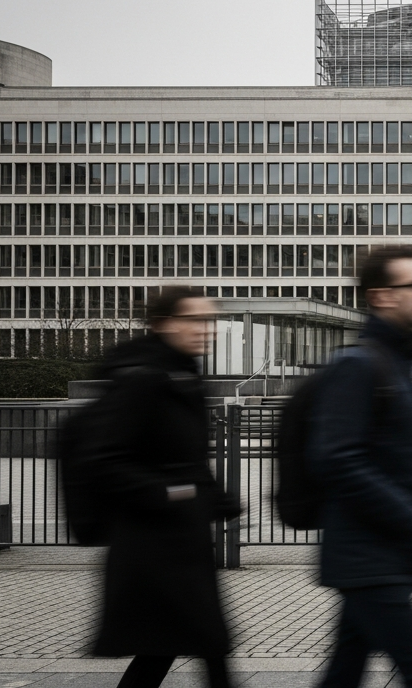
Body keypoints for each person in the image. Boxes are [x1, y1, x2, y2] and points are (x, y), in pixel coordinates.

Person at [83, 287, 238, 688]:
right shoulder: (143, 379)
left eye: (210, 320)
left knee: (178, 645)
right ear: (165, 324)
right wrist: (174, 492)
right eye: (196, 320)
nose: (207, 330)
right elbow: (106, 460)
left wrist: (217, 497)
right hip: (152, 543)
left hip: (181, 540)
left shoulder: (184, 375)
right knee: (199, 641)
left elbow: (185, 454)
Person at [313, 245, 412, 688]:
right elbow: (339, 458)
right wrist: (411, 517)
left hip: (377, 553)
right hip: (370, 554)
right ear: (381, 296)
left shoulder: (394, 363)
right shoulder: (359, 365)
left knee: (344, 673)